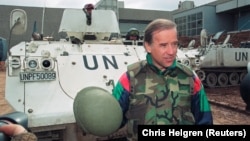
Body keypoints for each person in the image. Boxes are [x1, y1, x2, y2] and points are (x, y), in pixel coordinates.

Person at [112, 19, 213, 140]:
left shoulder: (190, 78)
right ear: (148, 46)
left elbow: (205, 121)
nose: (171, 52)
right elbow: (112, 121)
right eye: (163, 45)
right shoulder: (130, 79)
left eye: (174, 44)